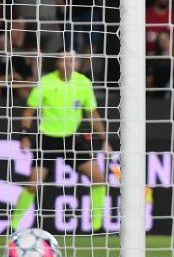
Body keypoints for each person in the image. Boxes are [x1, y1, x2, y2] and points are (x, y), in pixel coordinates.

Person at [14, 51, 112, 233]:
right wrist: (24, 135)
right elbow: (28, 111)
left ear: (77, 63)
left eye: (71, 60)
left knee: (98, 179)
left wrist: (104, 139)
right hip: (47, 140)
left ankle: (97, 227)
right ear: (57, 63)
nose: (66, 63)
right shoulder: (45, 82)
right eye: (62, 60)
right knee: (33, 185)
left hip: (71, 139)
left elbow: (92, 114)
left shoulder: (83, 83)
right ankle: (13, 225)